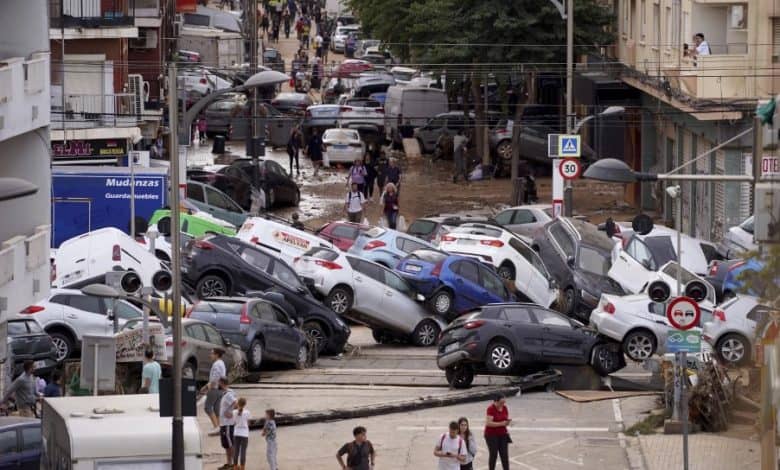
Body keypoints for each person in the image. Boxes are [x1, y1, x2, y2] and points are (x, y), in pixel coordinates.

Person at [199, 348, 226, 435]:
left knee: (208, 407)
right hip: (220, 389)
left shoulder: (217, 364)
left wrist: (207, 386)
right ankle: (219, 427)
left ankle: (216, 427)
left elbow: (215, 377)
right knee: (216, 408)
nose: (210, 355)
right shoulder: (222, 363)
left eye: (212, 353)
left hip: (214, 388)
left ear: (217, 355)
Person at [484, 395, 511, 470]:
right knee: (494, 454)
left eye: (504, 402)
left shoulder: (505, 408)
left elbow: (505, 418)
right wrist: (501, 424)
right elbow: (488, 423)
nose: (502, 404)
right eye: (501, 402)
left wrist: (507, 422)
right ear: (495, 401)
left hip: (503, 434)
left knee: (504, 455)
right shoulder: (491, 409)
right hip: (491, 435)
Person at [218, 377, 237, 470]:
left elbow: (236, 403)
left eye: (219, 382)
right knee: (226, 444)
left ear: (221, 383)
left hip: (227, 424)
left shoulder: (229, 394)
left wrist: (231, 412)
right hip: (223, 424)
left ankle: (234, 463)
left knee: (230, 444)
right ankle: (229, 463)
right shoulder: (225, 393)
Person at [232, 397, 250, 470]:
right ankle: (242, 467)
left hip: (236, 433)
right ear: (245, 404)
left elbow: (234, 422)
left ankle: (235, 466)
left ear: (238, 403)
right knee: (243, 451)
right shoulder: (247, 412)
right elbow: (248, 422)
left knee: (236, 450)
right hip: (244, 433)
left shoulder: (234, 412)